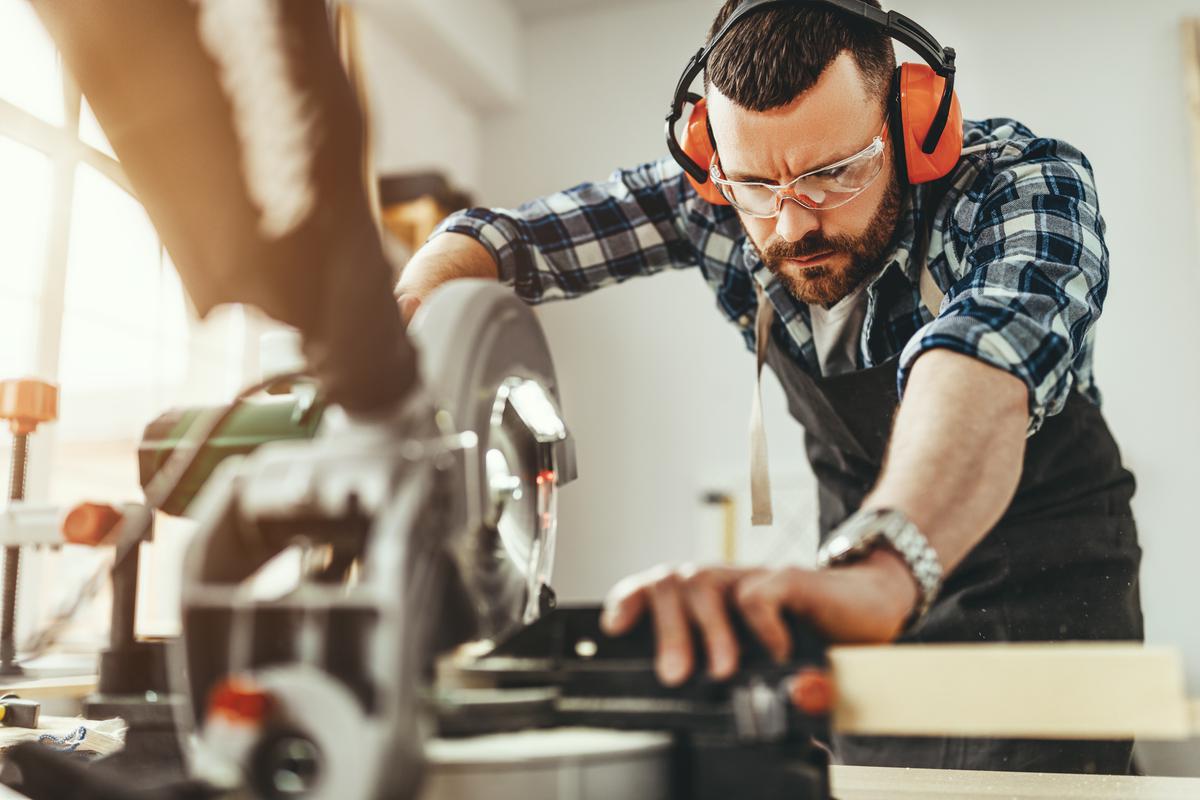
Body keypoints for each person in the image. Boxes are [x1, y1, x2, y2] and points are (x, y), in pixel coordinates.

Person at [397, 0, 1141, 776]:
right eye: (756, 184)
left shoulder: (1018, 185)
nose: (791, 226)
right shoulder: (714, 197)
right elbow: (501, 242)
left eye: (834, 174)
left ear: (913, 125)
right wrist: (397, 341)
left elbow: (982, 357)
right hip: (860, 612)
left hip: (1039, 597)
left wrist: (884, 569)